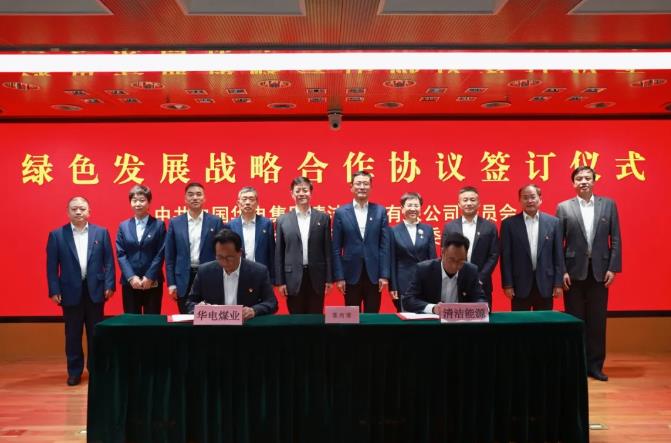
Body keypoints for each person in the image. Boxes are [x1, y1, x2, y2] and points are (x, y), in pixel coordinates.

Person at [556, 166, 621, 382]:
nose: (583, 181)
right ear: (573, 183)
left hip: (600, 271)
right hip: (573, 272)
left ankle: (595, 366)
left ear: (594, 181)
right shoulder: (564, 207)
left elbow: (616, 239)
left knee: (597, 321)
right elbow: (558, 243)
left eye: (587, 178)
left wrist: (613, 267)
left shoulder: (608, 205)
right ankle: (577, 366)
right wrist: (562, 270)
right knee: (575, 321)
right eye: (579, 178)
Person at [46, 196, 115, 386]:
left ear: (89, 212)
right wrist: (54, 289)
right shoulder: (57, 235)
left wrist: (109, 285)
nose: (78, 212)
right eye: (74, 209)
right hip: (69, 290)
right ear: (68, 212)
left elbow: (109, 261)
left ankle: (96, 369)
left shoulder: (101, 233)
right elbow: (51, 266)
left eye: (82, 209)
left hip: (96, 290)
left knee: (96, 333)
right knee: (73, 334)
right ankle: (74, 371)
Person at [332, 171, 390, 312]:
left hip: (374, 275)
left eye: (366, 184)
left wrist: (384, 275)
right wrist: (339, 276)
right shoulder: (341, 213)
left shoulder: (380, 211)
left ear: (371, 187)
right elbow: (335, 248)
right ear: (351, 187)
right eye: (358, 183)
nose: (362, 187)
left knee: (373, 317)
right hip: (350, 274)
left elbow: (384, 246)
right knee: (352, 316)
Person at [185, 229, 278, 319]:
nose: (224, 262)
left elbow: (271, 303)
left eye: (229, 257)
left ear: (240, 253)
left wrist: (254, 310)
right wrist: (199, 307)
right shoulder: (205, 272)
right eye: (220, 257)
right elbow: (190, 302)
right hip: (214, 326)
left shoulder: (258, 272)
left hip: (246, 325)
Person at [500, 184, 564, 311]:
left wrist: (558, 283)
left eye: (533, 197)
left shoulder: (553, 222)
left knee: (544, 321)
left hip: (546, 283)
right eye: (525, 197)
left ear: (540, 199)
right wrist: (507, 284)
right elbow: (505, 257)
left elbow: (558, 255)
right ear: (519, 200)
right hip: (519, 285)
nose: (529, 201)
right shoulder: (509, 224)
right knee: (520, 321)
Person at [165, 182, 226, 314]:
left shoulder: (215, 221)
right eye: (191, 195)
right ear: (185, 199)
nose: (195, 198)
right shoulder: (175, 223)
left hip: (209, 276)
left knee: (210, 316)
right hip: (183, 279)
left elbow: (222, 253)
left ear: (204, 198)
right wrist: (171, 283)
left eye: (199, 194)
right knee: (185, 318)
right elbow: (170, 256)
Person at [275, 177, 333, 314]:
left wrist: (329, 278)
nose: (301, 193)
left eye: (305, 190)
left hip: (317, 276)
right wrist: (280, 281)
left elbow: (328, 250)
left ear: (310, 192)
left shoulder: (323, 218)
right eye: (298, 191)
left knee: (315, 317)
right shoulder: (282, 220)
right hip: (292, 277)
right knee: (295, 318)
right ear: (292, 194)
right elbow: (279, 253)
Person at [442, 186, 499, 310]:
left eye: (472, 200)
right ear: (459, 204)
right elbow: (445, 254)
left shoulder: (489, 227)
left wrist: (480, 278)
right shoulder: (450, 227)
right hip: (455, 281)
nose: (468, 203)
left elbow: (493, 255)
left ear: (479, 203)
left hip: (482, 283)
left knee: (482, 316)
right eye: (465, 200)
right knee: (456, 315)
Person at [402, 232, 485, 313]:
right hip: (432, 320)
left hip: (460, 320)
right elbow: (408, 300)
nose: (454, 266)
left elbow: (481, 299)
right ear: (442, 252)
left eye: (460, 261)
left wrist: (481, 307)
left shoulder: (471, 271)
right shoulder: (424, 269)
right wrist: (433, 308)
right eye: (451, 260)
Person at [115, 185, 165, 314]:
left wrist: (149, 276)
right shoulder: (123, 226)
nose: (138, 204)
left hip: (152, 282)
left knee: (152, 321)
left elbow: (161, 253)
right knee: (131, 322)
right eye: (134, 200)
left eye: (142, 200)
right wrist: (131, 277)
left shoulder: (159, 225)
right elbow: (121, 254)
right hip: (130, 283)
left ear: (149, 202)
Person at [389, 192, 436, 312]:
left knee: (425, 314)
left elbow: (433, 259)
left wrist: (434, 282)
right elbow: (392, 261)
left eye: (416, 205)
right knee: (405, 315)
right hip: (403, 281)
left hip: (425, 281)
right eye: (409, 205)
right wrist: (393, 286)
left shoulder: (428, 229)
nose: (413, 209)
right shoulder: (393, 231)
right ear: (402, 208)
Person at [229, 186, 275, 282]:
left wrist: (273, 278)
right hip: (237, 274)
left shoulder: (267, 224)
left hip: (261, 274)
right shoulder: (230, 225)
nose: (247, 202)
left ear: (257, 203)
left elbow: (272, 253)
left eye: (251, 199)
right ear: (238, 203)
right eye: (244, 199)